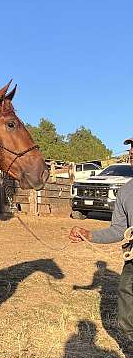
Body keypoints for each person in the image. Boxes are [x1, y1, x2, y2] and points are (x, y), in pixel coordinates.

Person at [70, 139, 133, 339]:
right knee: (126, 320)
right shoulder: (126, 191)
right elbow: (118, 229)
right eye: (132, 148)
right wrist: (89, 235)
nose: (132, 152)